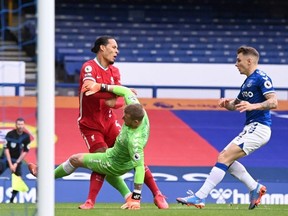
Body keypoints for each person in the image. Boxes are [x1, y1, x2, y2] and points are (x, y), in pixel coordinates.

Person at [176, 46, 278, 210]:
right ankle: (254, 187)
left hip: (260, 128)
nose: (235, 64)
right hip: (251, 128)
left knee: (224, 157)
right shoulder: (247, 83)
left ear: (249, 60)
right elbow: (235, 105)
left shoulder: (261, 77)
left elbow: (274, 101)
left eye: (238, 60)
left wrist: (254, 106)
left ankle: (199, 197)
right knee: (226, 160)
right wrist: (226, 104)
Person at [77, 35, 168, 209]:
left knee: (132, 153)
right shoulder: (89, 67)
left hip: (110, 121)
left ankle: (157, 193)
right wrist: (116, 93)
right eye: (114, 47)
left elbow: (116, 103)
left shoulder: (115, 71)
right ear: (102, 48)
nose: (117, 51)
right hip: (90, 124)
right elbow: (89, 89)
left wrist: (115, 96)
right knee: (102, 157)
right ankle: (91, 200)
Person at [30, 83, 155, 210]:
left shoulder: (135, 141)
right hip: (116, 155)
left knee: (75, 159)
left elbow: (139, 168)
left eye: (126, 118)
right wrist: (100, 86)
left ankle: (45, 178)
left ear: (135, 122)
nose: (122, 118)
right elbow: (125, 91)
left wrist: (137, 198)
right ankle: (136, 195)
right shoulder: (138, 111)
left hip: (114, 163)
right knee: (95, 158)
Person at [0, 117, 31, 203]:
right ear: (16, 125)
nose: (20, 126)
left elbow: (25, 151)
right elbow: (6, 149)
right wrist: (10, 164)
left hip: (17, 160)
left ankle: (12, 199)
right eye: (18, 124)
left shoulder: (26, 136)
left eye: (21, 124)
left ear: (24, 125)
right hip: (5, 159)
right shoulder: (10, 134)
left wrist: (16, 163)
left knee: (19, 179)